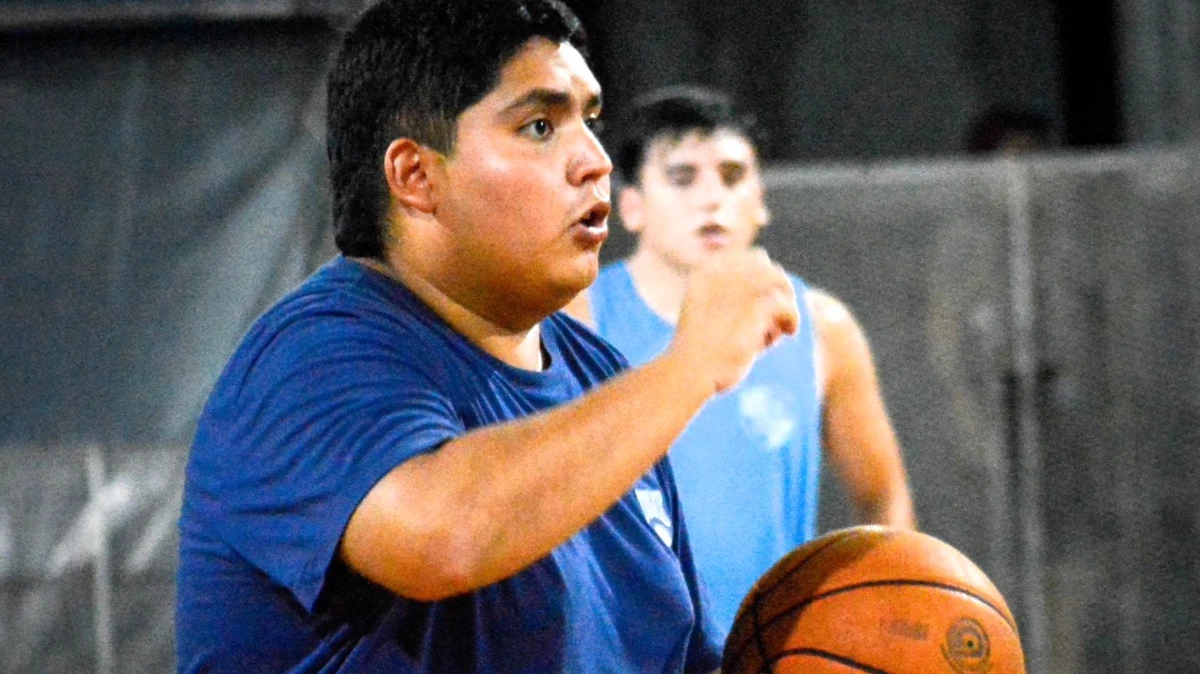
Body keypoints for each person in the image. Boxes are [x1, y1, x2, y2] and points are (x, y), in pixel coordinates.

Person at [174, 2, 801, 673]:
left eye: (589, 121)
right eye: (539, 125)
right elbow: (442, 536)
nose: (594, 162)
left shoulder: (601, 378)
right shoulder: (308, 356)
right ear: (416, 177)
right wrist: (691, 364)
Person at [566, 86, 917, 631]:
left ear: (760, 199)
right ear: (630, 205)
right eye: (683, 178)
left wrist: (888, 615)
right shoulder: (578, 321)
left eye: (732, 177)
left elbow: (883, 496)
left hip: (770, 652)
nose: (712, 199)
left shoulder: (823, 328)